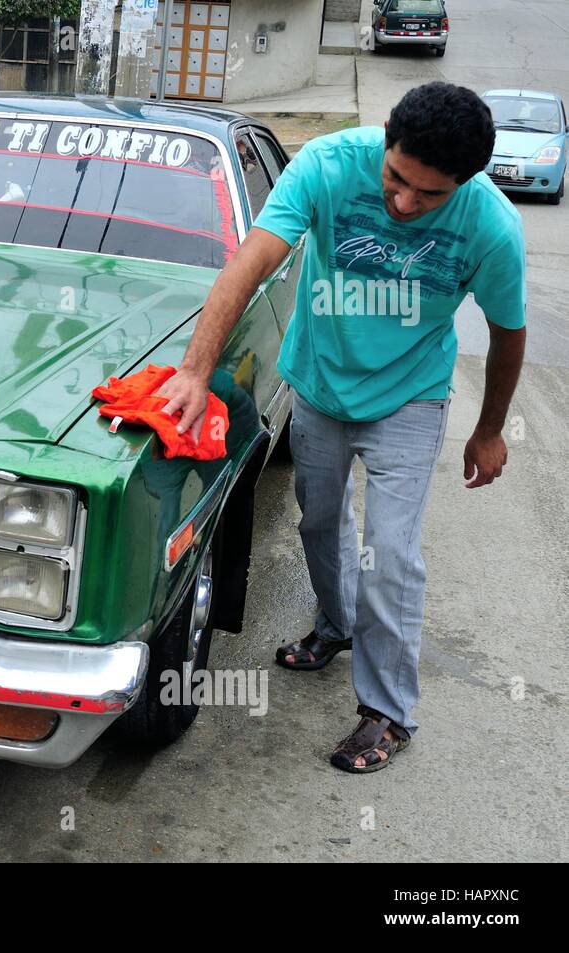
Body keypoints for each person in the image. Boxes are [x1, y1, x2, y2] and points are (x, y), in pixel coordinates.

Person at [156, 82, 526, 773]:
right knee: (319, 523)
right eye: (396, 178)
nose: (406, 203)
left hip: (410, 398)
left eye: (430, 195)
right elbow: (251, 263)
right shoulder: (327, 164)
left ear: (466, 183)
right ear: (386, 135)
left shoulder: (492, 228)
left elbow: (509, 333)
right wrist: (195, 370)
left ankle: (387, 709)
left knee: (390, 553)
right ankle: (335, 624)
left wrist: (490, 428)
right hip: (320, 381)